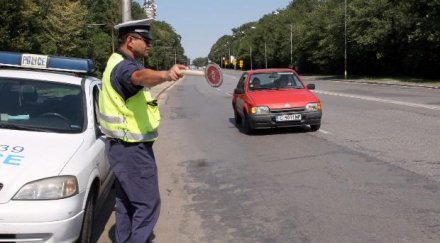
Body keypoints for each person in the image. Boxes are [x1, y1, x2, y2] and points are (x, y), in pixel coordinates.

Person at [98, 19, 187, 243]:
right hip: (131, 150)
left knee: (126, 203)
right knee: (147, 204)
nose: (149, 44)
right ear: (130, 40)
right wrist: (167, 74)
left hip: (120, 147)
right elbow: (138, 78)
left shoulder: (115, 61)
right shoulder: (125, 67)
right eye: (145, 40)